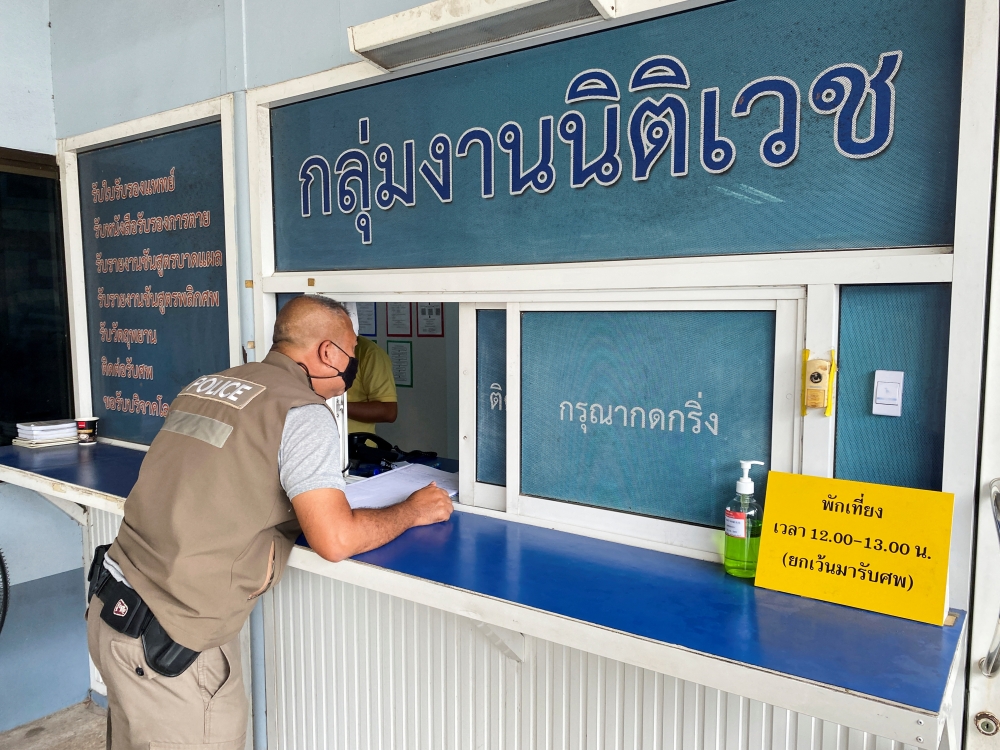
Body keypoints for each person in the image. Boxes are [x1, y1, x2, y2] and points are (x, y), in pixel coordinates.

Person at [86, 295, 453, 750]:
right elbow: (335, 539)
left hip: (111, 608)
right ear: (328, 353)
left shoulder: (206, 385)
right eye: (352, 352)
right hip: (171, 640)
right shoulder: (301, 411)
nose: (354, 365)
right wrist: (413, 510)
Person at [346, 334, 398, 434]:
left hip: (353, 441)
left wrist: (337, 407)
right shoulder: (317, 348)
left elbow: (389, 412)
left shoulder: (369, 353)